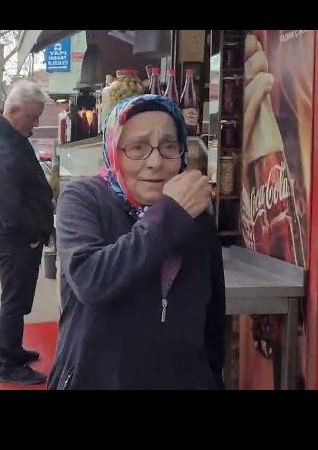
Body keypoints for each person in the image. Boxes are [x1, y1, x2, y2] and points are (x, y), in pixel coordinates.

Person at [48, 94, 225, 390]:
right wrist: (170, 215)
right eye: (137, 148)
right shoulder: (84, 200)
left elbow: (212, 324)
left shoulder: (197, 221)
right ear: (113, 152)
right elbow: (91, 279)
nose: (155, 162)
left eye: (169, 146)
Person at [0, 81, 54, 385]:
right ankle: (6, 362)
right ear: (12, 111)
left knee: (19, 297)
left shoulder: (11, 138)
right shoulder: (1, 149)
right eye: (33, 117)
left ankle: (13, 348)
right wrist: (37, 232)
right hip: (15, 239)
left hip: (19, 237)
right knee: (13, 299)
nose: (36, 125)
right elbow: (12, 211)